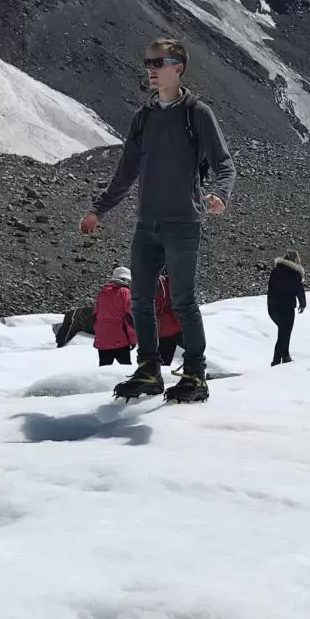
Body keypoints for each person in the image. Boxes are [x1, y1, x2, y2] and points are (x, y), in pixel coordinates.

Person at [79, 38, 236, 402]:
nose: (150, 68)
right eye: (147, 62)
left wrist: (221, 195)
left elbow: (223, 162)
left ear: (177, 67)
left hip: (184, 222)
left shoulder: (197, 112)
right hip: (147, 223)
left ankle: (195, 373)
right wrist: (98, 209)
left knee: (182, 301)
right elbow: (125, 172)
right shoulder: (143, 117)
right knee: (140, 300)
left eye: (158, 62)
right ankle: (149, 369)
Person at [266, 250, 307, 366]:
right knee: (285, 332)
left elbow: (270, 289)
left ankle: (284, 355)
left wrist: (270, 304)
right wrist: (302, 303)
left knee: (283, 331)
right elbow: (299, 289)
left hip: (273, 305)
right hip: (287, 306)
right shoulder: (295, 273)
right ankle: (277, 359)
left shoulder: (275, 271)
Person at [92, 266, 136, 366]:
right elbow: (130, 319)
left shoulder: (102, 293)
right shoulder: (126, 293)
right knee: (125, 369)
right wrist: (133, 340)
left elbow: (95, 316)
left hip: (102, 338)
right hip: (120, 338)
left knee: (104, 370)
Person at [155, 271, 184, 366]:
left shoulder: (155, 283)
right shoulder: (172, 283)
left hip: (161, 328)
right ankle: (197, 371)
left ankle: (159, 375)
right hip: (175, 327)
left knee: (163, 360)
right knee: (195, 349)